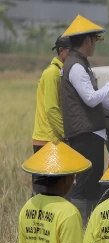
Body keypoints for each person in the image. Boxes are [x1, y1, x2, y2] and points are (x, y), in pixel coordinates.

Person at [60, 14, 109, 224]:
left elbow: (96, 99)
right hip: (85, 134)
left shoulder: (80, 64)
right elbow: (92, 99)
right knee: (85, 185)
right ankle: (80, 226)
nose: (95, 45)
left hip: (90, 134)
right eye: (95, 40)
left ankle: (87, 226)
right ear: (87, 41)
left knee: (93, 182)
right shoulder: (75, 66)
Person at [31, 36, 71, 195]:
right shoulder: (53, 74)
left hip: (53, 139)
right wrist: (67, 135)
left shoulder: (60, 72)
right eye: (72, 52)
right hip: (47, 140)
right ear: (62, 51)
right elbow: (52, 109)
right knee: (43, 191)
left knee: (55, 190)